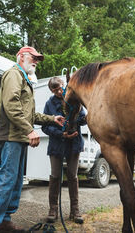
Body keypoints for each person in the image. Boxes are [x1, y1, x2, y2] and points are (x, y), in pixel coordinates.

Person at [0, 47, 65, 233]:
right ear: (21, 57)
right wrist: (29, 130)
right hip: (11, 135)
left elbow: (30, 114)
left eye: (37, 59)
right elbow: (11, 105)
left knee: (16, 180)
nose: (35, 61)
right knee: (7, 178)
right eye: (32, 57)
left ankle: (4, 220)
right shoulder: (13, 74)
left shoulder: (25, 79)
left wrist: (52, 119)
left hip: (18, 136)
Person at [42, 77, 87, 224]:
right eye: (55, 90)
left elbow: (81, 119)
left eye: (60, 88)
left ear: (64, 85)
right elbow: (45, 127)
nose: (59, 91)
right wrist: (61, 134)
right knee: (55, 176)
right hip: (57, 145)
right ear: (51, 90)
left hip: (74, 144)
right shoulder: (49, 103)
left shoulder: (73, 98)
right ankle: (53, 210)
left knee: (73, 177)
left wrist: (83, 119)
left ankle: (75, 210)